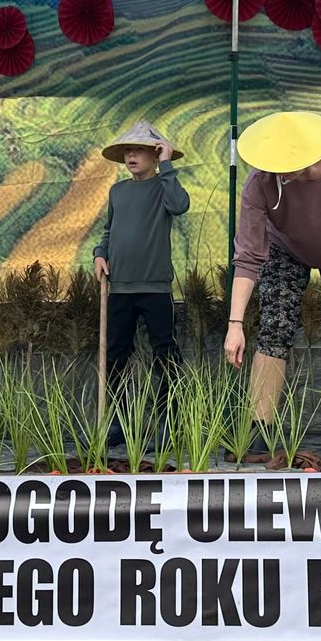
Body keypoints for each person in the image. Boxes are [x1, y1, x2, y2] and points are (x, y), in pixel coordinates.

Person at [223, 111, 321, 462]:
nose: (277, 172)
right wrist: (235, 325)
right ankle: (259, 432)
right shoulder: (260, 182)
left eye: (284, 164)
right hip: (284, 248)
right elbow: (248, 256)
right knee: (274, 328)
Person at [93, 122, 190, 420]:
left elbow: (180, 206)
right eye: (127, 151)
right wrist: (100, 253)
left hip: (155, 287)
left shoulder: (164, 187)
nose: (131, 156)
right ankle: (118, 421)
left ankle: (169, 419)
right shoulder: (118, 191)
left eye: (138, 150)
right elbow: (110, 230)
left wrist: (167, 166)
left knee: (164, 352)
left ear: (155, 155)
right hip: (119, 287)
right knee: (116, 354)